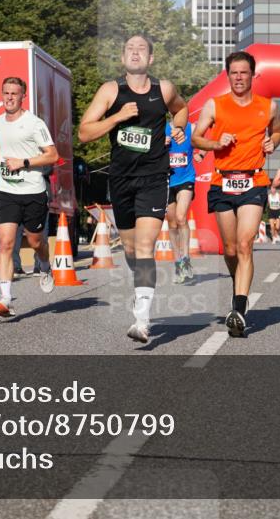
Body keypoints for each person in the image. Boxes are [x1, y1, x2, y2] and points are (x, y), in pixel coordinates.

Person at [79, 35, 188, 344]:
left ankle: (142, 319)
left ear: (151, 58)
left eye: (141, 49)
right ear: (122, 57)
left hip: (154, 177)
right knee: (129, 250)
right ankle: (141, 289)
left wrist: (177, 127)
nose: (135, 52)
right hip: (121, 179)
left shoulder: (163, 89)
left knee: (144, 246)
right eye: (130, 48)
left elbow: (182, 109)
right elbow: (85, 132)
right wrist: (117, 117)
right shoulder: (110, 91)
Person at [193, 50, 280, 338]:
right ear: (227, 75)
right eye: (234, 73)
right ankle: (238, 283)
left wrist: (273, 143)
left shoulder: (268, 107)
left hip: (254, 181)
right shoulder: (214, 105)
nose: (239, 77)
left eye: (244, 72)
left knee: (245, 245)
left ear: (252, 75)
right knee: (230, 249)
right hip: (222, 182)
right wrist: (216, 143)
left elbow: (277, 131)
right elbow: (196, 137)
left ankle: (239, 308)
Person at [0, 77, 59, 317]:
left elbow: (52, 155)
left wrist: (24, 162)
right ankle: (6, 298)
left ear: (22, 96)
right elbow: (8, 151)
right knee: (5, 243)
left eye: (14, 94)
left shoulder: (34, 124)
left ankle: (46, 266)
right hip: (5, 190)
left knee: (36, 242)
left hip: (33, 191)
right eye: (5, 92)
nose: (9, 97)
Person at [166, 120, 201, 284]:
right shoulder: (162, 127)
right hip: (166, 180)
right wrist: (161, 144)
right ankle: (178, 263)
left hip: (186, 178)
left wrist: (200, 153)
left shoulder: (191, 128)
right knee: (172, 223)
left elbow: (206, 141)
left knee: (181, 217)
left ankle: (186, 258)